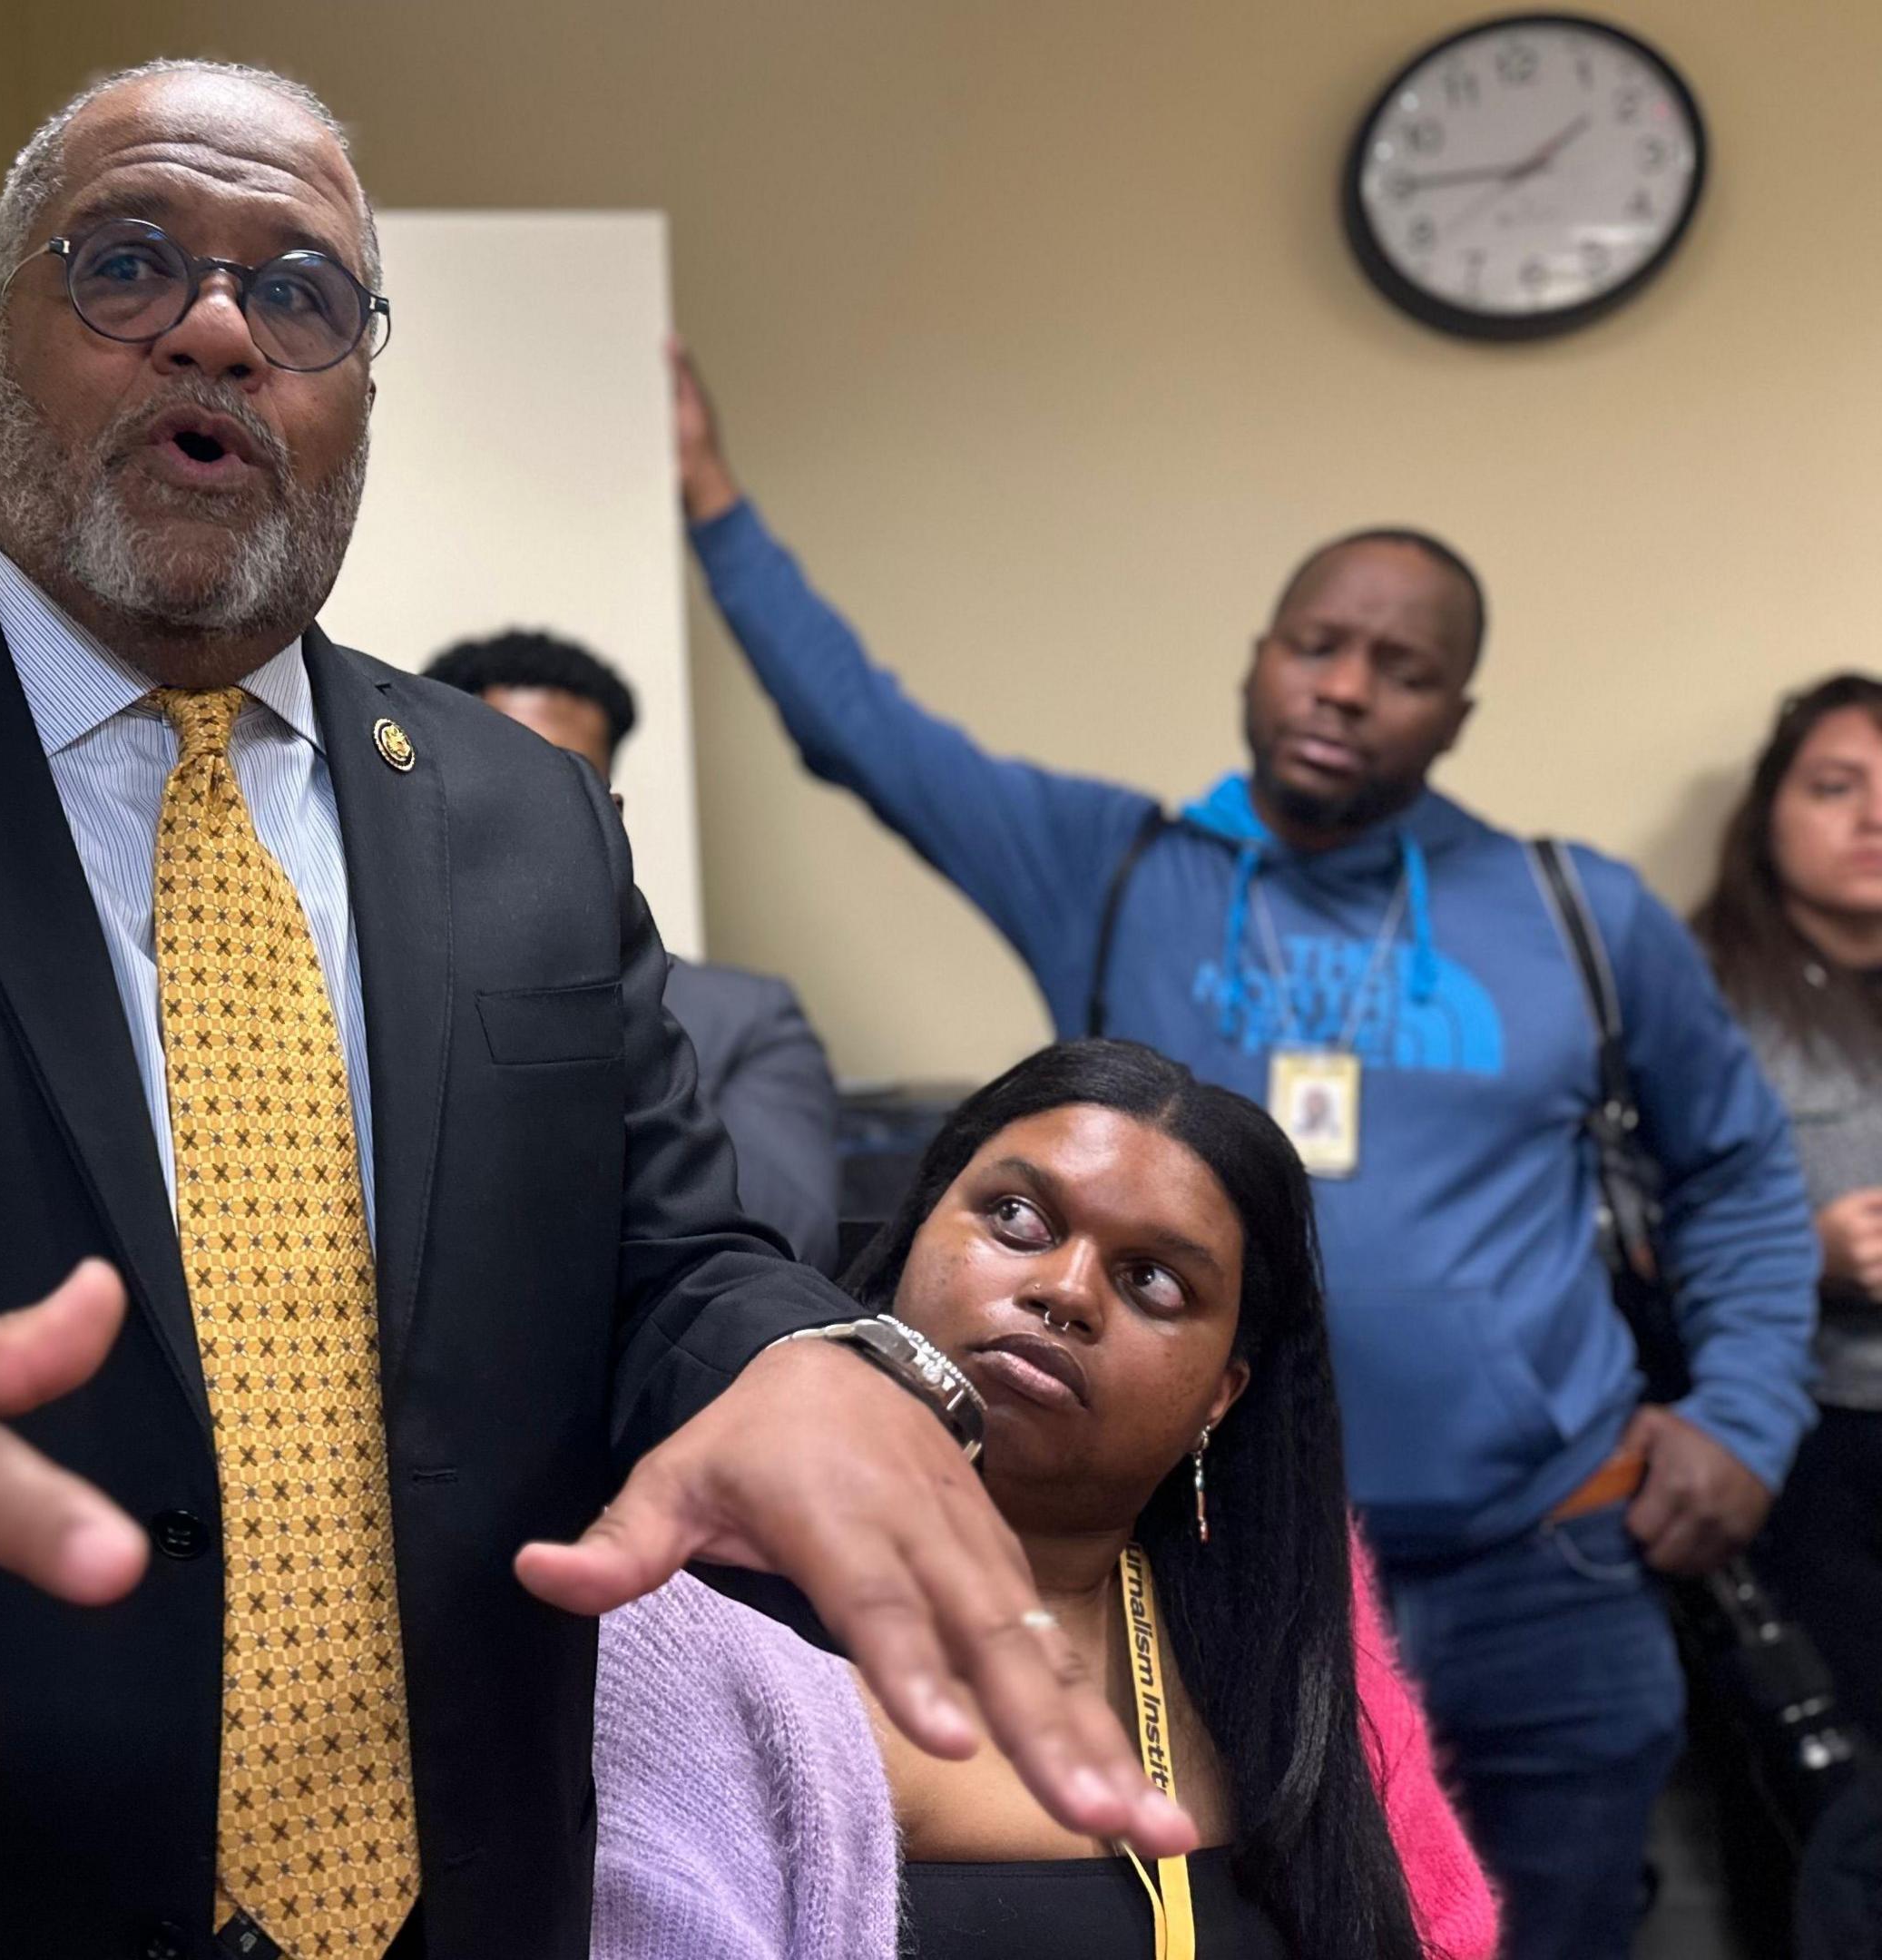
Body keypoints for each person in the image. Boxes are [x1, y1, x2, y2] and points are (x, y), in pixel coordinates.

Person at [0, 60, 1192, 1960]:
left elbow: (666, 1258)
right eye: (128, 264)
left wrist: (798, 1355)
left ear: (357, 396)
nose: (217, 325)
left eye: (300, 293)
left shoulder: (521, 816)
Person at [668, 344, 1819, 1956]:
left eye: (1399, 668)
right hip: (1228, 1587)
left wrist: (1747, 1417)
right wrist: (711, 500)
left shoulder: (1578, 914)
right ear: (1259, 660)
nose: (1346, 688)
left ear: (1457, 710)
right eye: (1318, 645)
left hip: (1538, 1574)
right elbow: (869, 733)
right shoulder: (1122, 868)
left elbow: (1744, 1180)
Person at [594, 1040, 1496, 1959]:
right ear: (913, 1237)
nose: (1065, 1292)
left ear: (1220, 1395)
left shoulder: (1278, 1633)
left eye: (1153, 1281)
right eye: (1018, 1219)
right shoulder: (702, 1620)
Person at [422, 629, 844, 1263]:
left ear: (610, 815)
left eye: (564, 787)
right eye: (500, 784)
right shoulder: (359, 988)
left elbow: (782, 1248)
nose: (531, 819)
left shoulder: (745, 1018)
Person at [1694, 673, 1882, 1740]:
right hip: (1800, 1440)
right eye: (1836, 786)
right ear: (1770, 811)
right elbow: (1612, 1231)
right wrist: (1800, 1255)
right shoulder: (1697, 989)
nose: (1876, 818)